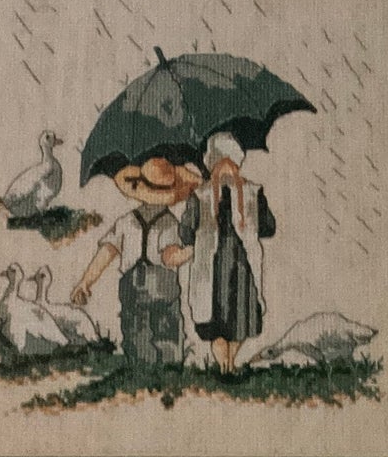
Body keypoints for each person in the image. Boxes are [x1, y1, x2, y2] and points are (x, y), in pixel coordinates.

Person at [162, 132, 276, 375]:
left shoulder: (201, 195)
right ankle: (229, 364)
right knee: (237, 316)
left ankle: (225, 365)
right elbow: (269, 228)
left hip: (219, 265)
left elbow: (186, 232)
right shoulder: (252, 191)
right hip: (238, 265)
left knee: (218, 318)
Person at [70, 156, 200, 366]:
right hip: (163, 287)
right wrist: (191, 251)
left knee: (136, 331)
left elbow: (107, 251)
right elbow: (169, 258)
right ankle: (168, 368)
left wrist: (86, 281)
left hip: (132, 286)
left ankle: (141, 367)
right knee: (167, 332)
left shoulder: (126, 221)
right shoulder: (170, 224)